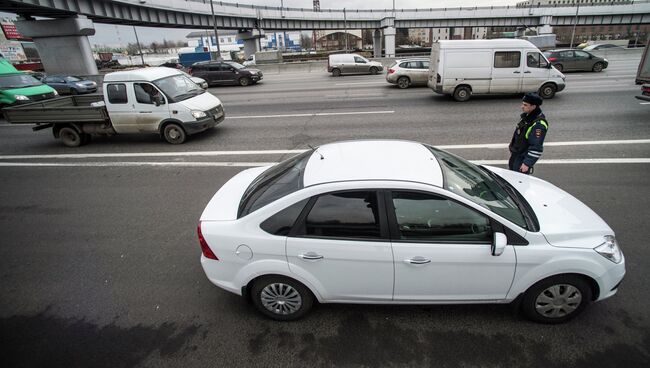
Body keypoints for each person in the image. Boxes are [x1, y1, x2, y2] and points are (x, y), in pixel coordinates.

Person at [508, 93, 548, 175]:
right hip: (516, 155)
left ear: (533, 106)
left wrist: (527, 164)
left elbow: (536, 146)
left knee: (519, 183)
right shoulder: (527, 116)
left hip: (522, 160)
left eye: (525, 105)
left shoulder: (538, 125)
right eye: (522, 104)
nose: (522, 107)